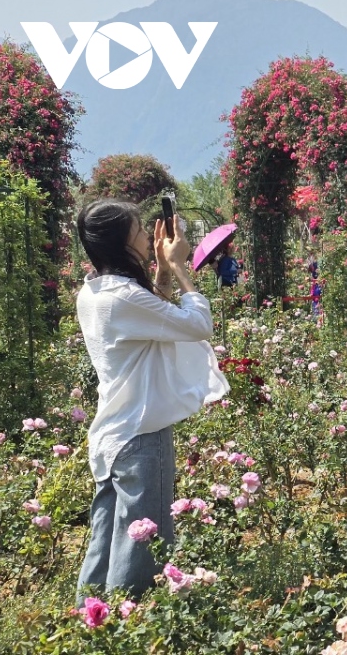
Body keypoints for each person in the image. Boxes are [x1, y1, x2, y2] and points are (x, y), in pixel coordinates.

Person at [73, 200, 229, 604]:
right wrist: (180, 267)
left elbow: (150, 316)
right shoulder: (124, 297)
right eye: (140, 231)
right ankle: (128, 626)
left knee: (106, 537)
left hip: (113, 432)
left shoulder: (93, 293)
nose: (148, 236)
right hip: (141, 434)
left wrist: (158, 270)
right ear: (122, 242)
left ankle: (88, 622)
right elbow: (198, 326)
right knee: (143, 543)